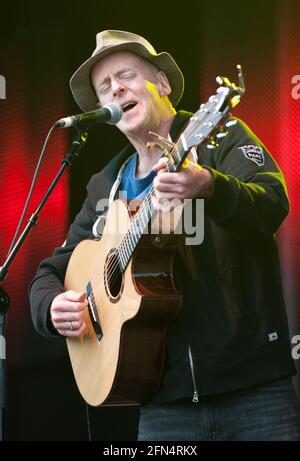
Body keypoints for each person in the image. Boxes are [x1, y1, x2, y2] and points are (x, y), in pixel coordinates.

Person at [29, 29, 300, 441]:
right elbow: (51, 271)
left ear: (163, 83)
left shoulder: (218, 137)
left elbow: (272, 203)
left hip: (253, 391)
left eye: (126, 75)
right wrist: (51, 307)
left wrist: (211, 184)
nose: (116, 89)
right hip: (162, 407)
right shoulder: (107, 185)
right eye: (105, 88)